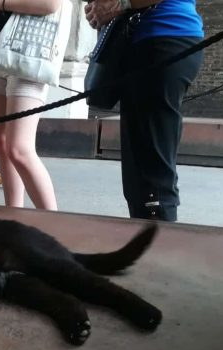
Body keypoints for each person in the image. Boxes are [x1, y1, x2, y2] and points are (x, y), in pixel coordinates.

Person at [85, 0, 204, 221]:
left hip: (163, 38)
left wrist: (120, 3)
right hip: (147, 43)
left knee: (153, 178)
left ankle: (161, 249)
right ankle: (149, 245)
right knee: (139, 178)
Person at [0, 0, 62, 211]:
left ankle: (58, 227)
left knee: (19, 148)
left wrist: (1, 3)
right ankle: (14, 221)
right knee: (3, 144)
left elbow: (51, 4)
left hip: (30, 52)